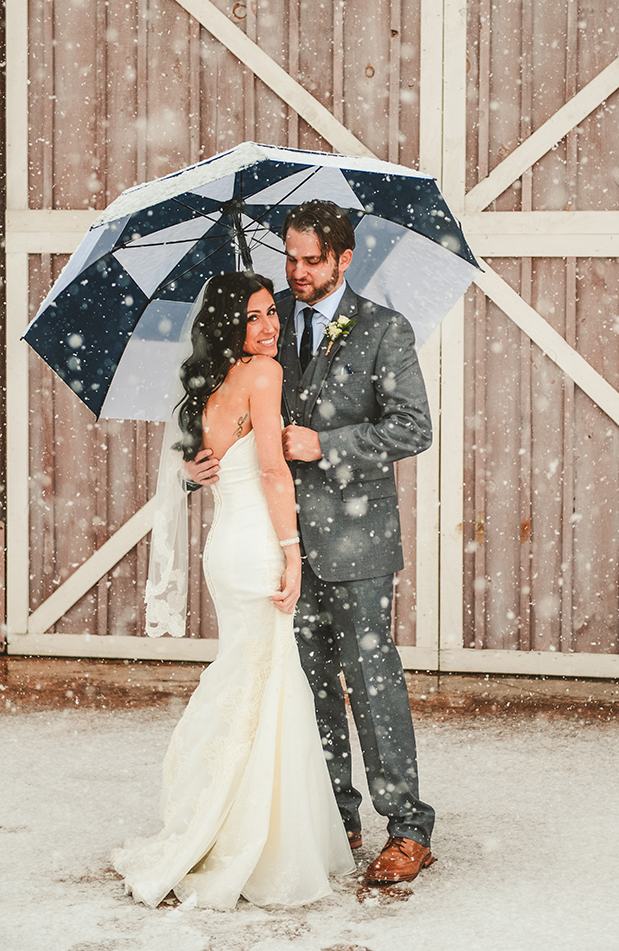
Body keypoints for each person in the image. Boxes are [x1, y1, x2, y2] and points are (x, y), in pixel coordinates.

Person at [187, 201, 436, 885]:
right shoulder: (265, 330)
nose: (294, 273)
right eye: (288, 258)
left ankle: (408, 827)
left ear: (344, 259)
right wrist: (198, 464)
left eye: (310, 260)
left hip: (357, 542)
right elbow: (230, 418)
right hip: (279, 548)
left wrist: (328, 443)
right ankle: (333, 813)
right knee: (304, 689)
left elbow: (414, 429)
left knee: (372, 682)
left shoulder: (382, 330)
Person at [112, 271, 354, 909]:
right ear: (230, 325)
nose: (271, 326)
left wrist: (192, 474)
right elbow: (273, 470)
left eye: (272, 312)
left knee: (250, 682)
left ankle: (221, 824)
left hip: (226, 547)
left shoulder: (211, 384)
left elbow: (198, 466)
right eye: (254, 318)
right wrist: (293, 554)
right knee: (267, 686)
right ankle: (253, 841)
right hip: (255, 549)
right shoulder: (263, 376)